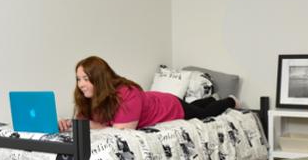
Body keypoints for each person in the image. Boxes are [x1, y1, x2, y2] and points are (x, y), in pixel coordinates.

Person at [58, 56, 237, 131]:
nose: (81, 84)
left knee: (202, 114)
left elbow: (121, 132)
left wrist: (87, 125)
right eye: (78, 79)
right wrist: (69, 124)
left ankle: (230, 101)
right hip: (157, 101)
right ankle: (209, 99)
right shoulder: (86, 98)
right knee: (195, 107)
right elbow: (83, 124)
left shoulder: (127, 93)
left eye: (86, 79)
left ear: (99, 78)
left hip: (168, 106)